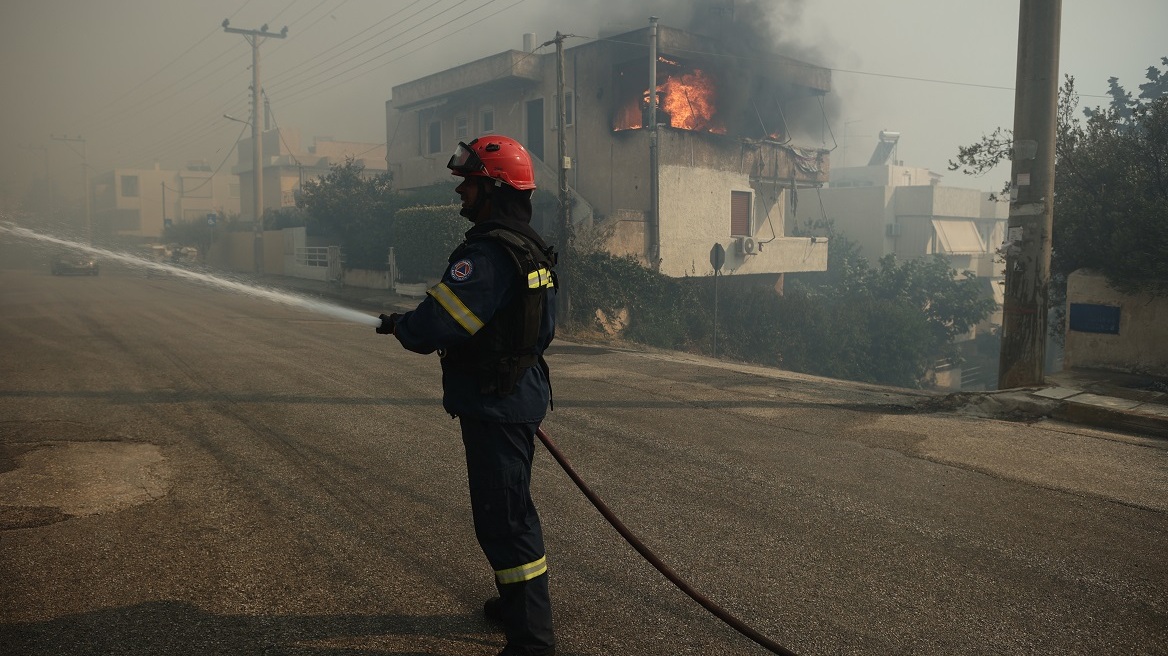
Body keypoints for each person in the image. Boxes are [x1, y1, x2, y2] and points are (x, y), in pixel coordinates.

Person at [375, 134, 558, 656]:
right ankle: (514, 603)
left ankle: (531, 641)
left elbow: (444, 320)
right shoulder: (528, 244)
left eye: (469, 186)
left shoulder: (489, 254)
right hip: (517, 393)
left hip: (497, 401)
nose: (461, 197)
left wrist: (407, 328)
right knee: (509, 509)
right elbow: (539, 328)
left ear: (493, 188)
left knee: (505, 519)